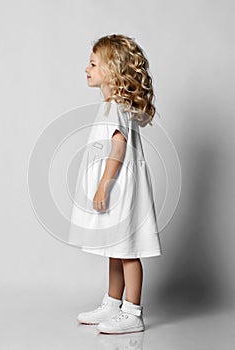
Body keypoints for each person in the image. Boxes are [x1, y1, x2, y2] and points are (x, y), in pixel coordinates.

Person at [70, 34, 162, 334]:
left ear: (111, 70)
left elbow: (118, 150)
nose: (86, 68)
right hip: (121, 186)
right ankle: (113, 302)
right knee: (116, 246)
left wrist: (103, 186)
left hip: (120, 187)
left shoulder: (114, 108)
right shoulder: (115, 104)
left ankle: (132, 311)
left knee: (128, 250)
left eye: (94, 63)